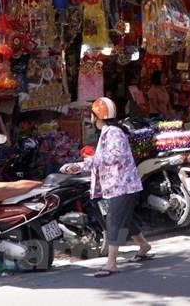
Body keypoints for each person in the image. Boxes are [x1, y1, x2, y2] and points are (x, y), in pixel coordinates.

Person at [61, 97, 152, 278]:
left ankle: (112, 263)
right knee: (125, 218)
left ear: (97, 116)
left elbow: (113, 157)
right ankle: (143, 245)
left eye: (92, 115)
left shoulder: (113, 133)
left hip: (122, 185)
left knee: (114, 221)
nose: (91, 119)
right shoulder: (109, 132)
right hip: (119, 184)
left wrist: (82, 165)